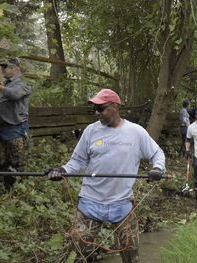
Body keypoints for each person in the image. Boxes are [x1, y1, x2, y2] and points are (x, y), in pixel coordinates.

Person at [46, 88, 165, 263]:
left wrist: (157, 169)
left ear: (115, 106)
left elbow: (157, 154)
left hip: (122, 205)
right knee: (77, 254)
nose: (97, 113)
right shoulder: (90, 131)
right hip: (90, 203)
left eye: (101, 108)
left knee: (132, 257)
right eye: (95, 109)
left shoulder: (136, 132)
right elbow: (77, 161)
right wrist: (63, 171)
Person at [0, 57, 31, 189]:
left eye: (5, 67)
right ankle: (5, 190)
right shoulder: (6, 84)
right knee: (1, 162)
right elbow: (4, 104)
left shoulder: (23, 83)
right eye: (2, 67)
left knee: (17, 164)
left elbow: (14, 95)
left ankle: (19, 192)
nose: (2, 70)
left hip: (15, 130)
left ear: (15, 68)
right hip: (2, 130)